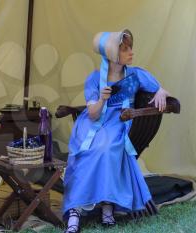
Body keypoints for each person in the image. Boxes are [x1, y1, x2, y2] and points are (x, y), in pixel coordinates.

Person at [62, 29, 169, 232]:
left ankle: (107, 205)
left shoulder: (136, 75)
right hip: (93, 123)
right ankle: (76, 209)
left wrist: (162, 91)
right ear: (113, 55)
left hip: (119, 121)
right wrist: (102, 98)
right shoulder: (94, 79)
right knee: (87, 150)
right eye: (125, 49)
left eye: (130, 48)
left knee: (106, 147)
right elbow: (92, 114)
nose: (131, 53)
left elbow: (161, 89)